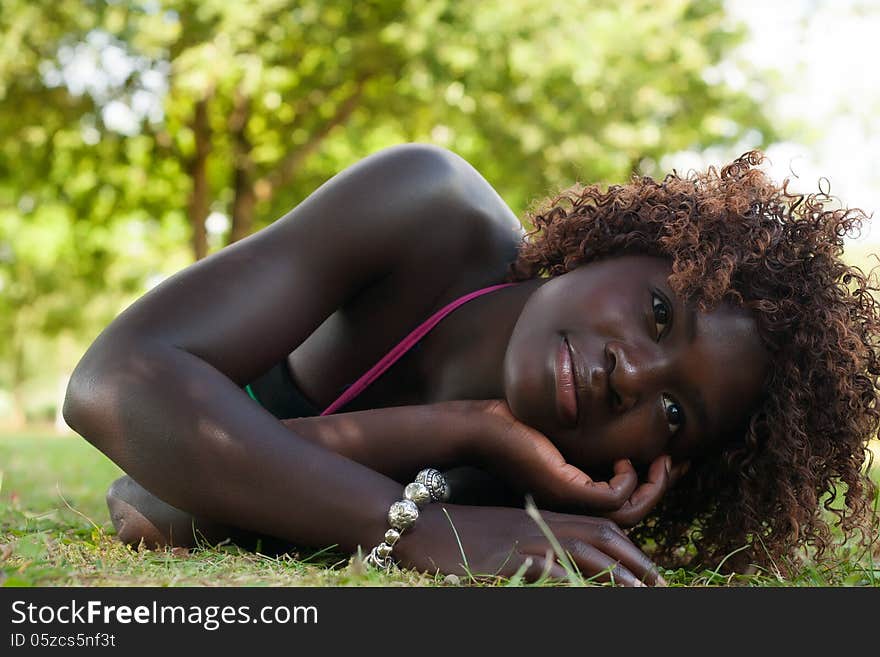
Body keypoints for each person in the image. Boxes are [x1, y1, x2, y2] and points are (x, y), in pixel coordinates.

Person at [62, 144, 879, 586]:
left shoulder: (537, 498)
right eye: (659, 314)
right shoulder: (426, 211)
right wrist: (423, 521)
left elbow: (159, 507)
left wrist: (470, 442)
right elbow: (114, 386)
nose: (632, 376)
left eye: (673, 411)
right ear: (625, 244)